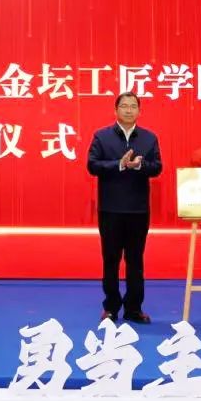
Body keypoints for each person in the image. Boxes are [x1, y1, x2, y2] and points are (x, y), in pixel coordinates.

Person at [87, 92, 162, 324]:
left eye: (133, 106)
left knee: (135, 261)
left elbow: (157, 167)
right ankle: (111, 307)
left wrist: (140, 165)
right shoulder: (102, 136)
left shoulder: (149, 138)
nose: (129, 110)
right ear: (116, 110)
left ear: (139, 111)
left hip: (138, 210)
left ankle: (134, 308)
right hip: (110, 209)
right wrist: (118, 164)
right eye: (124, 106)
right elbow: (92, 165)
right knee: (110, 259)